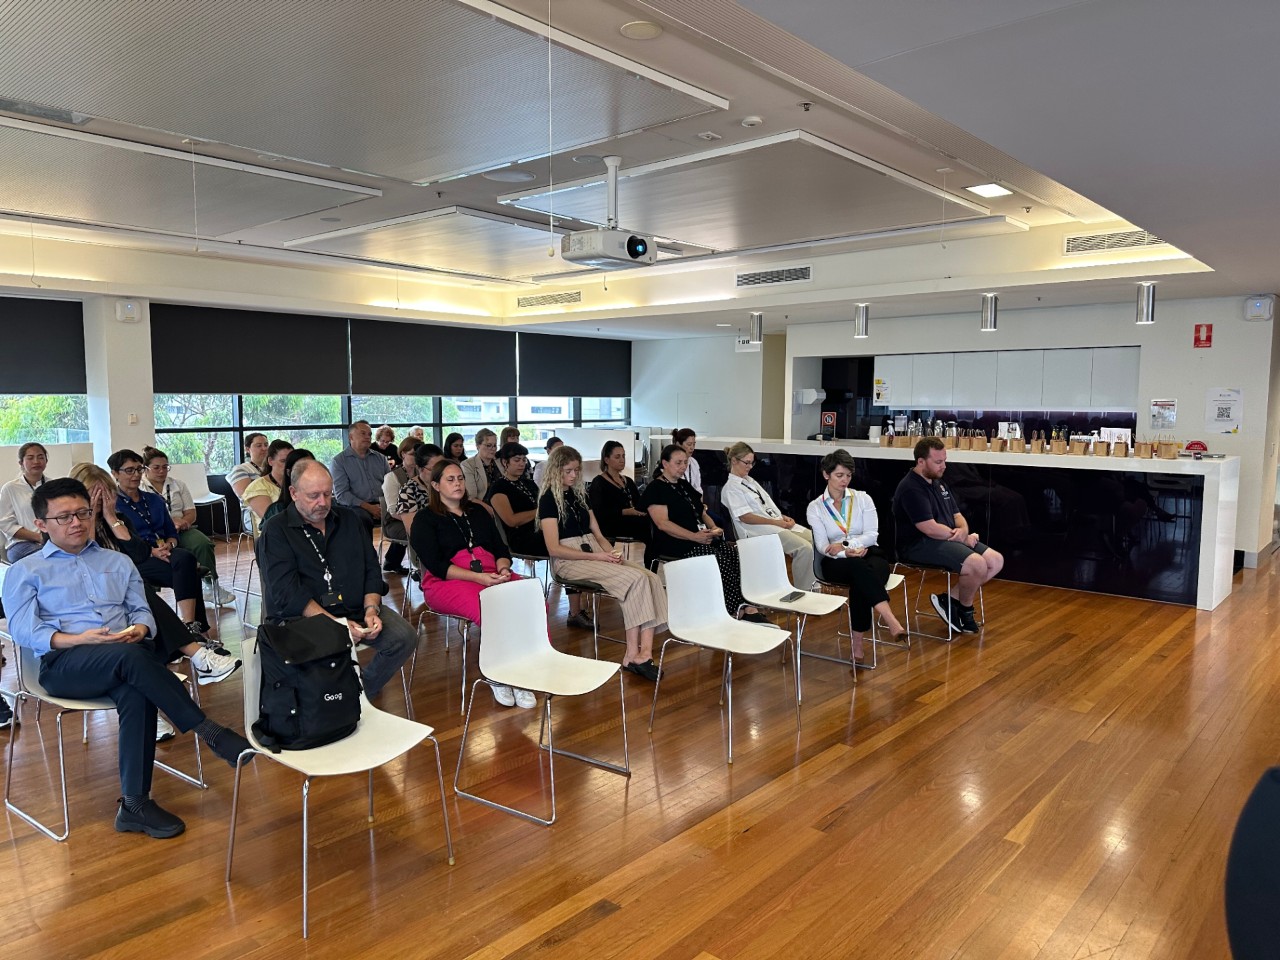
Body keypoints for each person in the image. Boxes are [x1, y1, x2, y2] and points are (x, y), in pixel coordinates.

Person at [2, 477, 252, 839]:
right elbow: (23, 631)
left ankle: (134, 805)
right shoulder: (27, 571)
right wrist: (77, 638)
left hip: (127, 655)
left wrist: (141, 627)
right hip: (64, 665)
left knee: (135, 684)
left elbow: (142, 609)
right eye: (64, 517)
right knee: (133, 661)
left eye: (82, 513)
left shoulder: (117, 562)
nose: (77, 523)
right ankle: (209, 732)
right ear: (41, 524)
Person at [70, 462, 242, 711]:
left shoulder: (117, 519)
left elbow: (139, 553)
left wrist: (109, 517)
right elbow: (87, 557)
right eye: (92, 494)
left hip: (126, 577)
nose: (99, 500)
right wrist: (90, 519)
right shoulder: (69, 525)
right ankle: (196, 655)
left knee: (173, 567)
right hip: (87, 588)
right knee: (139, 591)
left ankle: (189, 653)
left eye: (104, 493)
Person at [258, 460, 416, 703]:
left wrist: (371, 608)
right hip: (305, 619)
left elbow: (371, 569)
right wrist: (336, 625)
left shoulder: (349, 520)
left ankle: (359, 692)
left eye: (327, 494)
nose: (323, 503)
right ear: (294, 493)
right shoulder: (276, 530)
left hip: (356, 608)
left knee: (403, 637)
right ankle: (336, 696)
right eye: (313, 496)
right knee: (329, 650)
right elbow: (287, 593)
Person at [408, 459, 534, 709]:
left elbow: (500, 547)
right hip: (446, 581)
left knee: (530, 598)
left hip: (489, 571)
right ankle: (498, 673)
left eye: (460, 479)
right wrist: (480, 578)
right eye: (450, 479)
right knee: (490, 607)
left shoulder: (478, 512)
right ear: (435, 485)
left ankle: (523, 671)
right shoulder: (424, 519)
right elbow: (436, 565)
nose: (458, 484)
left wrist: (503, 569)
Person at [537, 446, 667, 680]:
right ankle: (631, 655)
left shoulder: (580, 495)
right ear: (556, 470)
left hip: (594, 549)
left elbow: (598, 535)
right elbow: (554, 548)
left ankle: (645, 654)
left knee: (651, 577)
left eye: (577, 470)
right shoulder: (548, 500)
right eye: (568, 471)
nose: (574, 475)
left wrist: (612, 554)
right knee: (635, 579)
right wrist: (598, 557)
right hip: (568, 559)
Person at [892, 437, 1004, 634]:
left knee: (995, 560)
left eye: (944, 460)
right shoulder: (911, 488)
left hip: (947, 538)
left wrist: (963, 531)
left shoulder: (938, 483)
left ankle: (950, 600)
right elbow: (929, 528)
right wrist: (962, 537)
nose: (943, 466)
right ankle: (966, 610)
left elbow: (958, 516)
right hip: (918, 544)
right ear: (921, 462)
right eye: (938, 462)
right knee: (976, 564)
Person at [641, 444, 764, 622]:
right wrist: (694, 536)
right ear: (665, 464)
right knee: (717, 558)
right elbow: (662, 524)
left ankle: (744, 605)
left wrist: (714, 528)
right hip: (674, 542)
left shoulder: (683, 485)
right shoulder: (656, 489)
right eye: (678, 463)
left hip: (698, 538)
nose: (683, 466)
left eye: (685, 462)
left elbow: (702, 512)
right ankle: (733, 609)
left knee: (734, 553)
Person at [806, 448, 906, 661]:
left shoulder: (863, 499)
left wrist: (847, 545)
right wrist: (846, 553)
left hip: (869, 553)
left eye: (848, 476)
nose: (845, 481)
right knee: (858, 569)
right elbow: (824, 546)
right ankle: (890, 620)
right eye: (839, 475)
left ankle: (858, 644)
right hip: (834, 562)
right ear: (826, 474)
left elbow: (872, 534)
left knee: (863, 576)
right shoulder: (815, 508)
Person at [109, 449, 215, 642]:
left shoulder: (153, 499)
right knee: (188, 569)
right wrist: (152, 552)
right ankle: (196, 629)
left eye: (139, 469)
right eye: (129, 470)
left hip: (165, 552)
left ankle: (190, 627)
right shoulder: (114, 505)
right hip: (137, 557)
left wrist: (169, 545)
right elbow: (122, 542)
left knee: (185, 561)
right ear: (115, 473)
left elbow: (171, 532)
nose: (136, 475)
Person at [141, 446, 235, 606]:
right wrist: (170, 523)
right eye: (156, 467)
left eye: (165, 467)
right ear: (145, 469)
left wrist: (183, 522)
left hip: (180, 528)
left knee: (203, 543)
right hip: (154, 532)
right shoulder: (140, 488)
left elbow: (191, 512)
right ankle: (150, 598)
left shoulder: (178, 485)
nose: (161, 471)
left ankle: (211, 586)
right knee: (151, 554)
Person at [722, 442, 814, 589]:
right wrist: (776, 523)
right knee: (804, 549)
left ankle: (814, 584)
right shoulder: (731, 487)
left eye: (752, 463)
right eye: (746, 463)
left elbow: (766, 506)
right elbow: (745, 517)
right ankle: (805, 589)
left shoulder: (750, 481)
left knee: (814, 541)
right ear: (734, 461)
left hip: (774, 523)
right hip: (757, 530)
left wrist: (782, 517)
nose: (750, 467)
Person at [331, 420, 407, 572]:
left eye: (370, 434)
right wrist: (369, 508)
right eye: (363, 433)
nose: (368, 437)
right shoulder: (339, 461)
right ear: (351, 437)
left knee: (407, 515)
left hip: (382, 503)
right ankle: (368, 566)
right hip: (356, 506)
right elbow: (341, 494)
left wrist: (386, 505)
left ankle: (393, 561)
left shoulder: (380, 458)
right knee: (361, 519)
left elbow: (389, 485)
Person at [486, 441, 545, 556]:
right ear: (504, 462)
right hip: (521, 537)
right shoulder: (499, 487)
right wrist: (540, 511)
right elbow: (511, 520)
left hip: (541, 528)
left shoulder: (528, 483)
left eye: (524, 460)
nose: (522, 464)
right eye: (517, 460)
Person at [588, 439, 648, 544]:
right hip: (611, 524)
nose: (622, 460)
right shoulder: (599, 483)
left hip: (632, 521)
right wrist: (626, 511)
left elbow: (639, 503)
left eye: (623, 456)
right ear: (606, 460)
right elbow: (599, 513)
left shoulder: (628, 481)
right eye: (617, 457)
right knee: (644, 524)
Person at [0, 441, 49, 561]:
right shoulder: (10, 488)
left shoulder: (52, 485)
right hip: (20, 544)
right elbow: (6, 524)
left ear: (46, 461)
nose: (36, 461)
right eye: (30, 458)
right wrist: (38, 537)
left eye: (40, 457)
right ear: (21, 462)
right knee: (46, 557)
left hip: (51, 540)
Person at [240, 439, 294, 535]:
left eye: (291, 461)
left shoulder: (298, 483)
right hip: (273, 537)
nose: (288, 465)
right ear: (270, 461)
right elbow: (273, 521)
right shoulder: (257, 487)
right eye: (283, 461)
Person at [394, 443, 445, 536]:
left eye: (442, 468)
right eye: (433, 469)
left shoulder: (448, 484)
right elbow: (414, 532)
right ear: (419, 468)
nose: (439, 473)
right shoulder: (408, 492)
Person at [262, 448, 314, 524]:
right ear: (289, 472)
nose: (308, 474)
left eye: (312, 469)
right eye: (300, 470)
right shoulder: (277, 510)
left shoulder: (327, 505)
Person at [460, 428, 499, 513]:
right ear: (478, 446)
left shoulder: (500, 462)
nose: (493, 449)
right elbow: (471, 497)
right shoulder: (468, 465)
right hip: (481, 508)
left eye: (495, 445)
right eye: (489, 445)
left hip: (502, 505)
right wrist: (489, 508)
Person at [226, 432, 269, 499]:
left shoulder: (274, 467)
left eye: (266, 445)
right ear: (247, 449)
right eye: (259, 446)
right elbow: (245, 496)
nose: (264, 448)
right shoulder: (241, 469)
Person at [672, 428, 702, 493]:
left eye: (694, 444)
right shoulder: (672, 463)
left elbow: (698, 489)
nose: (692, 448)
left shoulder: (694, 462)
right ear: (678, 444)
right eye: (689, 444)